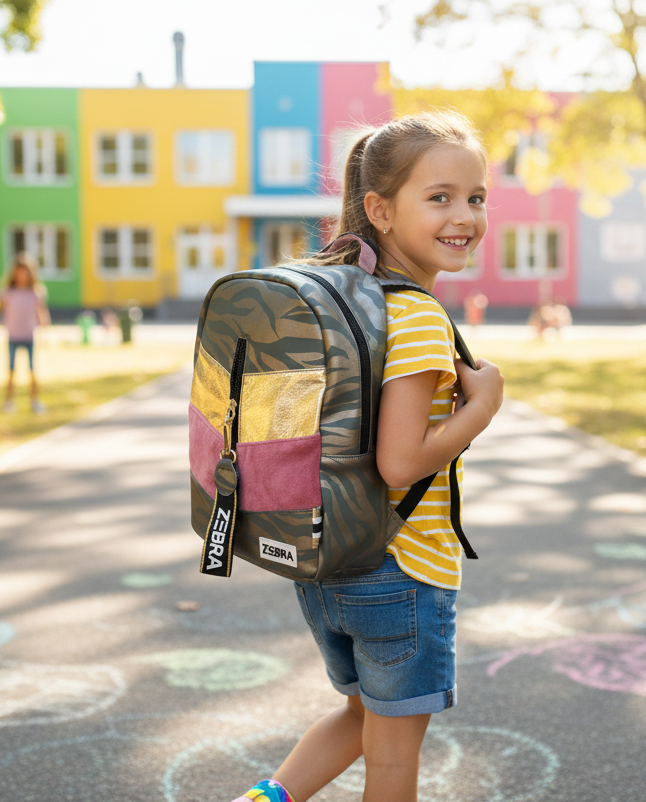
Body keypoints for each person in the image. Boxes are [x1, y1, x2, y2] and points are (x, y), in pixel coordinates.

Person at [231, 112, 504, 802]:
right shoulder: (414, 317)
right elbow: (399, 464)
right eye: (438, 197)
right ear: (379, 210)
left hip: (329, 566)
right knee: (392, 764)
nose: (463, 215)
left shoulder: (354, 295)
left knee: (360, 715)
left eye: (475, 198)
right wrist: (481, 409)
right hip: (402, 568)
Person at [0, 256, 51, 414]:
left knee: (32, 370)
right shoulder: (8, 292)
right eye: (18, 272)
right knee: (11, 370)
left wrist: (45, 330)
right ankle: (9, 401)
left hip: (29, 335)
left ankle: (35, 400)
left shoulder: (35, 292)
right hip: (13, 335)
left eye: (24, 273)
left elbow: (41, 312)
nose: (21, 276)